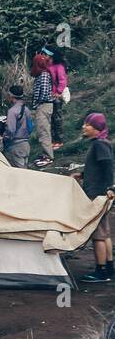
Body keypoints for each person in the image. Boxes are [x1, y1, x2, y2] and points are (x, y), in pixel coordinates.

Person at [75, 113, 115, 283]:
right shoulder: (100, 144)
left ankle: (100, 272)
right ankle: (109, 268)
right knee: (104, 233)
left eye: (88, 125)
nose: (84, 127)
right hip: (100, 192)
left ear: (97, 129)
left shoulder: (99, 145)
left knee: (98, 234)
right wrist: (83, 175)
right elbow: (99, 167)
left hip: (98, 194)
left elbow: (107, 166)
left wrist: (110, 188)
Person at [30, 52, 55, 167]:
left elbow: (44, 92)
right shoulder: (41, 74)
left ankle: (48, 156)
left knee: (43, 131)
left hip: (44, 105)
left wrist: (38, 104)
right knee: (43, 130)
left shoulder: (44, 74)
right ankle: (46, 154)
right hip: (44, 105)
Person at [2, 85, 33, 168]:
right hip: (26, 145)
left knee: (19, 174)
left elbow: (10, 130)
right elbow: (30, 127)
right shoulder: (26, 109)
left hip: (15, 147)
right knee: (24, 170)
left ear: (11, 96)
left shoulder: (12, 111)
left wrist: (4, 138)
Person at [47, 51, 69, 150]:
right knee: (52, 118)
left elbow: (62, 81)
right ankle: (53, 140)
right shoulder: (49, 66)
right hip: (50, 96)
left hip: (56, 96)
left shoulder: (59, 67)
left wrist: (58, 92)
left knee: (57, 118)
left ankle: (59, 140)